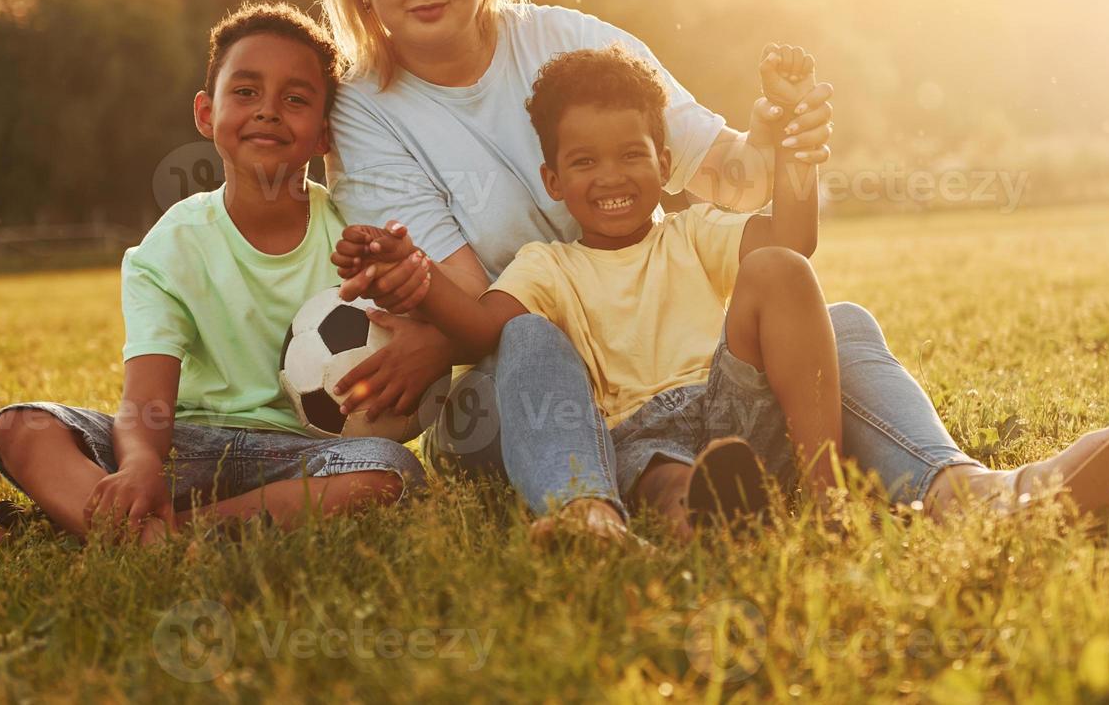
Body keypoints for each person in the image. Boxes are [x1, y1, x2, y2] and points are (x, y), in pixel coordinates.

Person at [319, 0, 1109, 540]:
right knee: (531, 348)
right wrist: (425, 305)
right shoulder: (364, 109)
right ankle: (608, 513)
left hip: (678, 372)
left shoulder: (568, 40)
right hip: (526, 385)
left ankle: (967, 491)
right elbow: (480, 316)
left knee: (832, 322)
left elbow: (736, 178)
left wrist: (781, 138)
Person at [342, 45, 849, 541]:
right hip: (641, 438)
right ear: (553, 180)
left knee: (779, 266)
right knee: (665, 480)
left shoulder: (692, 233)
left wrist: (798, 149)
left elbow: (793, 242)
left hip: (735, 411)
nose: (610, 176)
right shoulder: (548, 267)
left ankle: (828, 504)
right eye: (584, 162)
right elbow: (478, 332)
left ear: (665, 162)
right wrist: (417, 273)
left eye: (631, 154)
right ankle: (710, 519)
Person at [0, 1, 426, 547]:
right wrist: (142, 462)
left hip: (302, 456)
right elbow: (146, 398)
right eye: (245, 92)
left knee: (389, 469)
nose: (267, 111)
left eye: (295, 99)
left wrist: (400, 273)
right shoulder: (173, 244)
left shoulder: (353, 235)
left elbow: (408, 341)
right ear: (205, 113)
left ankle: (161, 538)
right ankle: (144, 522)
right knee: (20, 427)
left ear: (325, 134)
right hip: (184, 449)